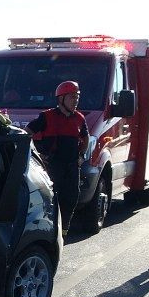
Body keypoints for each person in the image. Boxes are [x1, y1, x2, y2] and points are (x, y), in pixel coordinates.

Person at [27, 81, 89, 237]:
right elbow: (27, 132)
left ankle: (63, 231)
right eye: (72, 97)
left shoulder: (80, 118)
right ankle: (49, 230)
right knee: (51, 198)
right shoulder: (47, 116)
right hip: (53, 165)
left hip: (72, 166)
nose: (75, 101)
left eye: (77, 97)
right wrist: (36, 154)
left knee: (71, 198)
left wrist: (81, 156)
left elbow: (85, 138)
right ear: (61, 99)